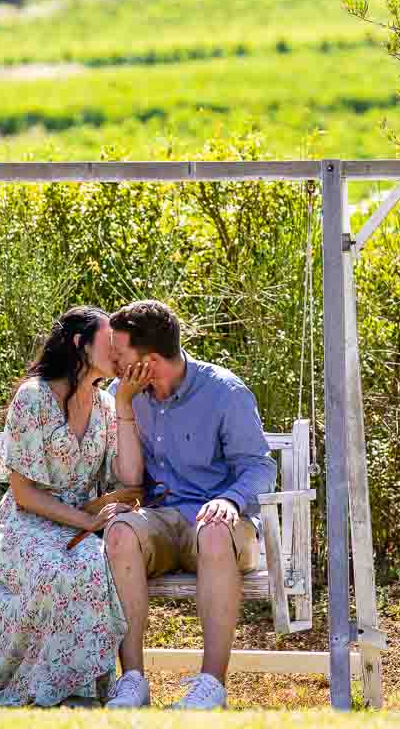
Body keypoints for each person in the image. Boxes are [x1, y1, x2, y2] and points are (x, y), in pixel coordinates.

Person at [0, 305, 150, 707]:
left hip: (79, 526)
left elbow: (129, 480)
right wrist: (86, 522)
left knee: (95, 563)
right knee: (58, 569)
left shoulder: (106, 406)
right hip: (26, 525)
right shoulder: (33, 397)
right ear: (80, 344)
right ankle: (51, 687)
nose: (117, 351)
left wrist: (125, 403)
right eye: (109, 342)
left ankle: (83, 690)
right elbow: (24, 494)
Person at [104, 299, 276, 711]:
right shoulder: (121, 395)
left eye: (120, 354)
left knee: (215, 530)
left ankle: (211, 685)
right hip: (161, 520)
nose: (112, 360)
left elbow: (259, 467)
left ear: (150, 361)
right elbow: (122, 473)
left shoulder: (225, 393)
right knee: (121, 532)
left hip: (221, 524)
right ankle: (131, 682)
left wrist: (229, 499)